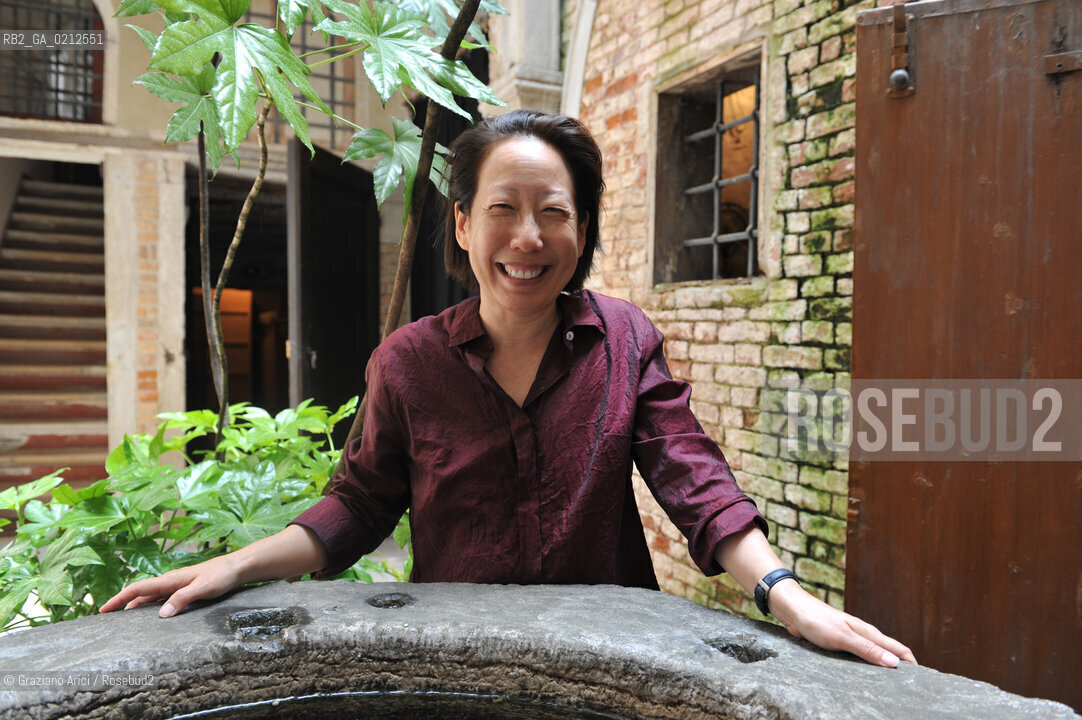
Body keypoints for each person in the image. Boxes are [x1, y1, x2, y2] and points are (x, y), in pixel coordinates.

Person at [102, 110, 915, 668]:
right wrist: (237, 566)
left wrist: (787, 598)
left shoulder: (624, 340)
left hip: (611, 658)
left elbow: (694, 481)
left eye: (554, 213)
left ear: (582, 230)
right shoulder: (408, 362)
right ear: (461, 224)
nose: (529, 238)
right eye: (504, 209)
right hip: (458, 660)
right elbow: (356, 506)